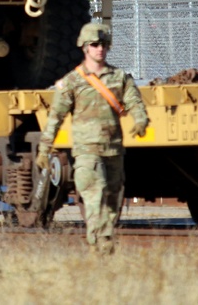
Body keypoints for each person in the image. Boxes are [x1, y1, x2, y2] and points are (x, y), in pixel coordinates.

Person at [35, 22, 149, 254]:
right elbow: (55, 117)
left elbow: (134, 102)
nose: (100, 49)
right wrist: (44, 150)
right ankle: (100, 243)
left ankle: (103, 243)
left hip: (114, 150)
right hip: (87, 151)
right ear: (85, 48)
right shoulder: (73, 82)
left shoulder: (119, 77)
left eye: (104, 45)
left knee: (112, 200)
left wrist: (140, 120)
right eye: (95, 45)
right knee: (95, 193)